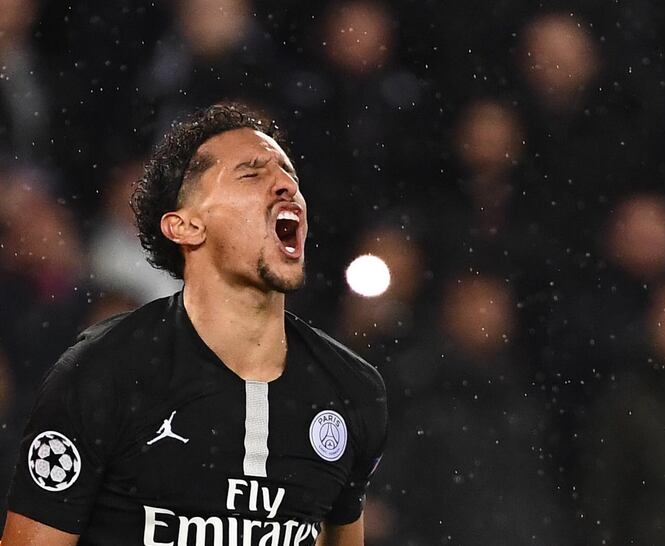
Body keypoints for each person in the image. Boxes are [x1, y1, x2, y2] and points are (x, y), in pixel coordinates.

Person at [1, 103, 388, 546]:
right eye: (251, 173)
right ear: (186, 227)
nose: (286, 186)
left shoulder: (351, 390)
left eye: (289, 175)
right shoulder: (103, 374)